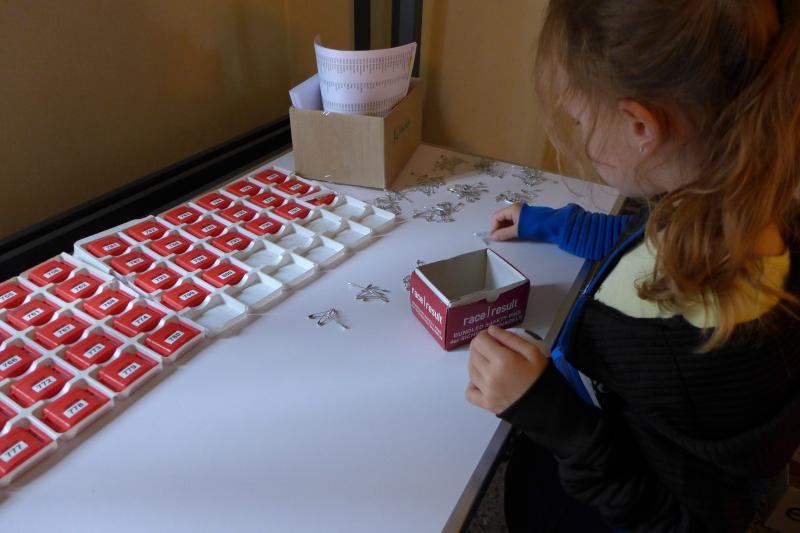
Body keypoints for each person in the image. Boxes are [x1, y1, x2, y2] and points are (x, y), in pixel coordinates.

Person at [465, 0, 800, 531]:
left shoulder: (677, 347)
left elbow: (690, 522)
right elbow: (642, 238)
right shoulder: (735, 205)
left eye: (580, 119)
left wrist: (553, 416)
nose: (578, 131)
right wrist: (556, 224)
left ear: (640, 125)